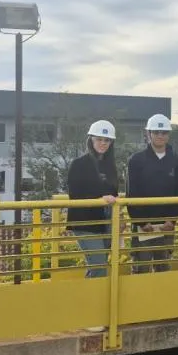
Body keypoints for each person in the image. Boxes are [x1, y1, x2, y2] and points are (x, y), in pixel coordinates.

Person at [125, 114, 178, 273]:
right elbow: (132, 194)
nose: (160, 136)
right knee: (142, 267)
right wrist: (141, 222)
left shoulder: (177, 161)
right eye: (156, 132)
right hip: (144, 226)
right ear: (148, 133)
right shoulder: (136, 160)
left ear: (168, 135)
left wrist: (171, 220)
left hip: (166, 225)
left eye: (164, 132)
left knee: (163, 267)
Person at [67, 120, 119, 280]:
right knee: (99, 266)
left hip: (105, 221)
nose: (103, 143)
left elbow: (114, 194)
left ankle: (92, 300)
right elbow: (74, 195)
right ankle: (91, 303)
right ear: (91, 140)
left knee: (98, 266)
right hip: (85, 222)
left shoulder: (110, 166)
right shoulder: (79, 164)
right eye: (99, 139)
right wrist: (99, 199)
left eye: (107, 140)